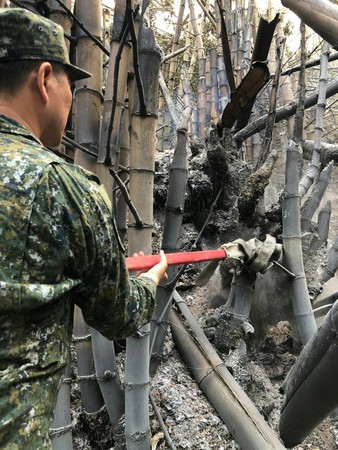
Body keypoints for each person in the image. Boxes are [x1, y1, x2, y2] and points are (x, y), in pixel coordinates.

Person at [0, 8, 167, 449]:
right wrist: (150, 280)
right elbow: (118, 315)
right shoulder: (63, 189)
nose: (72, 99)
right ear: (43, 79)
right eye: (70, 87)